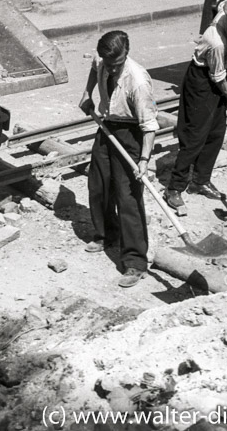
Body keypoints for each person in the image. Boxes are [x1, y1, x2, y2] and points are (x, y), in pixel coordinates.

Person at [79, 30, 159, 288]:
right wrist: (87, 93)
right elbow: (94, 68)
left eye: (117, 64)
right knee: (98, 184)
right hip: (106, 125)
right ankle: (107, 233)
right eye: (108, 64)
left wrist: (144, 160)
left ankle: (135, 262)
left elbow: (149, 126)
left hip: (132, 132)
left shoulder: (138, 81)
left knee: (128, 197)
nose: (111, 69)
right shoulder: (101, 59)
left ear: (127, 53)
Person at [165, 0, 227, 210]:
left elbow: (224, 1)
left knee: (216, 133)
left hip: (220, 73)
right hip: (203, 81)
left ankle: (200, 182)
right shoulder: (216, 41)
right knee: (195, 138)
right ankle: (174, 188)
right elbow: (217, 76)